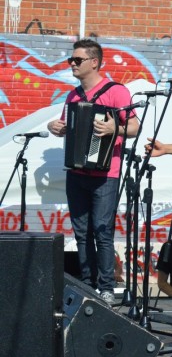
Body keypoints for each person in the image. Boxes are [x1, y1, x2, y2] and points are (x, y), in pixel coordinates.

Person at [48, 39, 140, 305]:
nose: (73, 64)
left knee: (102, 230)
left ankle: (106, 286)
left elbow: (135, 127)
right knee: (81, 231)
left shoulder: (116, 92)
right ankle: (87, 285)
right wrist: (58, 127)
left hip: (106, 173)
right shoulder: (73, 95)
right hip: (77, 173)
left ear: (94, 62)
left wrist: (114, 129)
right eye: (71, 60)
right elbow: (69, 124)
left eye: (77, 60)